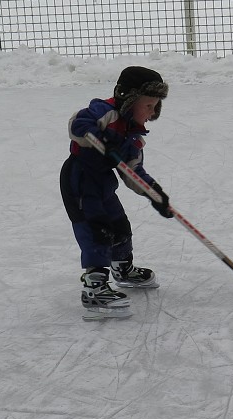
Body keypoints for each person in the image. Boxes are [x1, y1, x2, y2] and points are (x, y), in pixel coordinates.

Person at [60, 66, 175, 315]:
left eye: (156, 106)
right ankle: (94, 288)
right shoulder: (107, 112)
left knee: (119, 225)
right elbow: (78, 122)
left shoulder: (133, 136)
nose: (152, 111)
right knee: (97, 230)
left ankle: (123, 268)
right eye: (148, 105)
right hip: (80, 179)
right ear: (129, 99)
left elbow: (133, 173)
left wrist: (155, 194)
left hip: (102, 183)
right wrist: (92, 134)